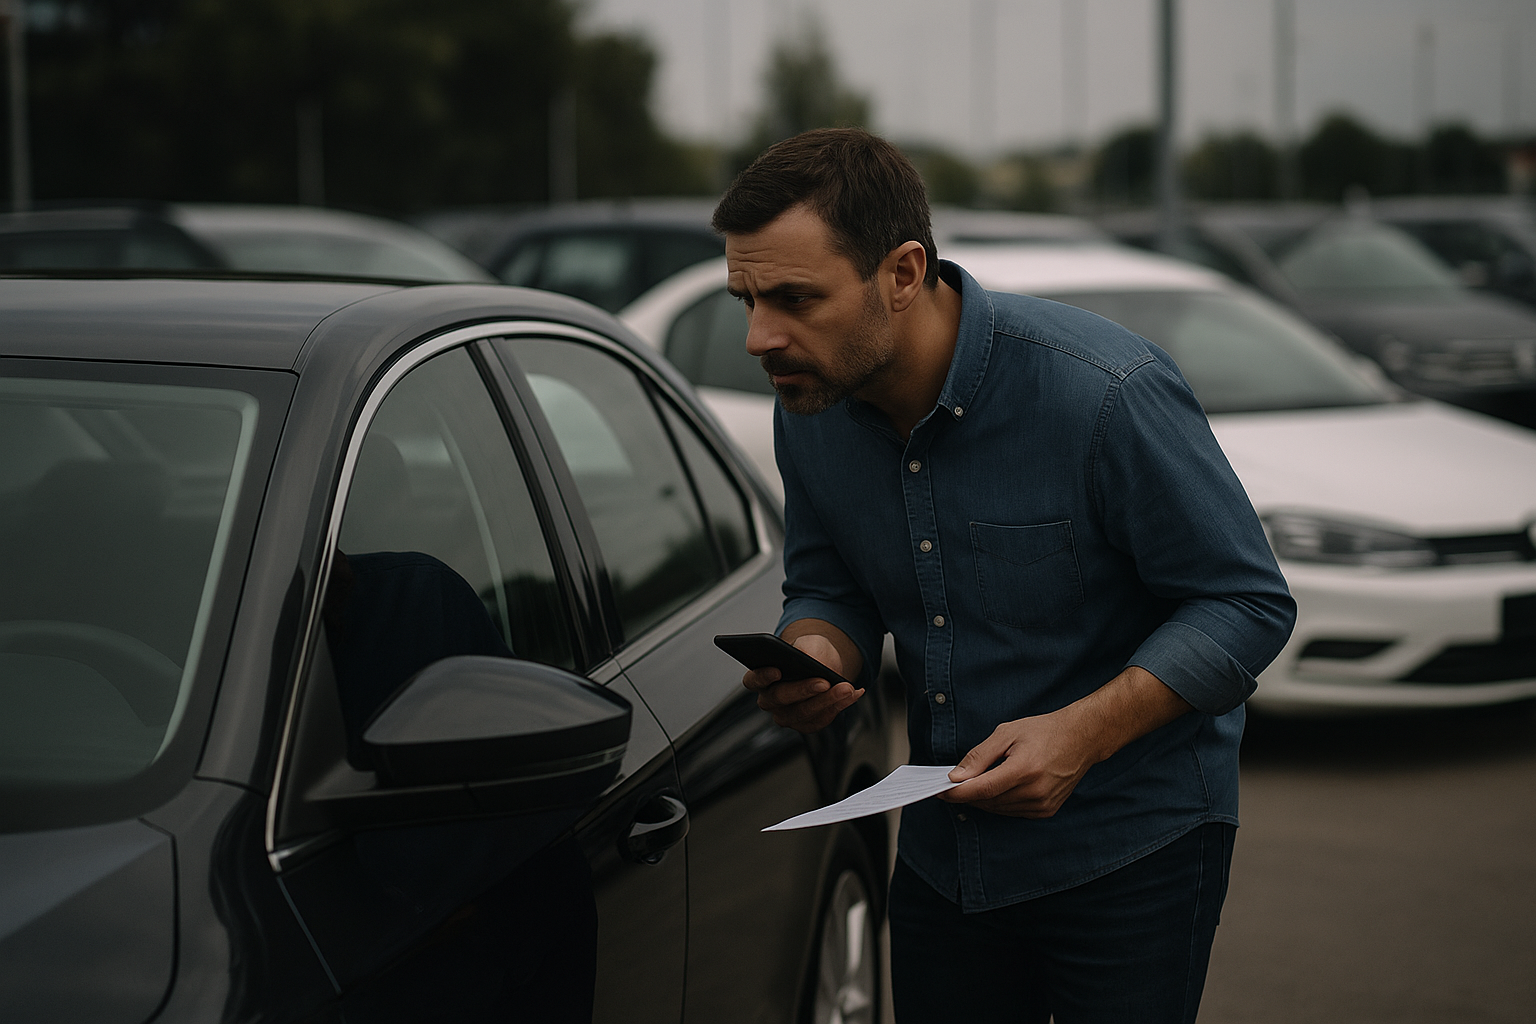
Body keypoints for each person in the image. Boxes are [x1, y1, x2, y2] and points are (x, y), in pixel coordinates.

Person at [715, 128, 1296, 1024]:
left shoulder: (1102, 391)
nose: (761, 337)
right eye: (745, 299)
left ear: (903, 273)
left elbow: (1247, 601)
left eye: (795, 297)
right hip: (944, 854)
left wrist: (1083, 734)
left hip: (1133, 848)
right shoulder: (813, 399)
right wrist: (818, 653)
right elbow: (830, 585)